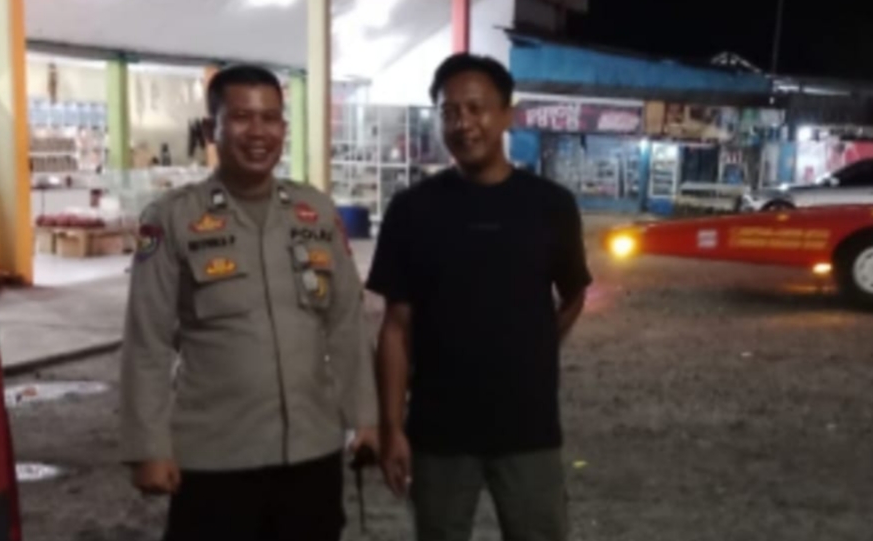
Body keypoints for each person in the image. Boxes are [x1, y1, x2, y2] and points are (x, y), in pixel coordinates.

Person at [119, 64, 378, 541]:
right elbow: (146, 340)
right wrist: (148, 446)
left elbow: (346, 323)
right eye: (241, 117)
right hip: (216, 458)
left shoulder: (315, 212)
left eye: (270, 118)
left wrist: (364, 417)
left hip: (311, 452)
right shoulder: (173, 218)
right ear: (210, 129)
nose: (258, 132)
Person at [367, 53, 593, 541]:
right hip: (438, 431)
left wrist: (539, 344)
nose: (463, 123)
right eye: (449, 112)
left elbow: (575, 293)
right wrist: (391, 426)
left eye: (476, 108)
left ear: (507, 114)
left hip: (528, 428)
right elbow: (395, 327)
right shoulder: (412, 210)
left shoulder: (550, 206)